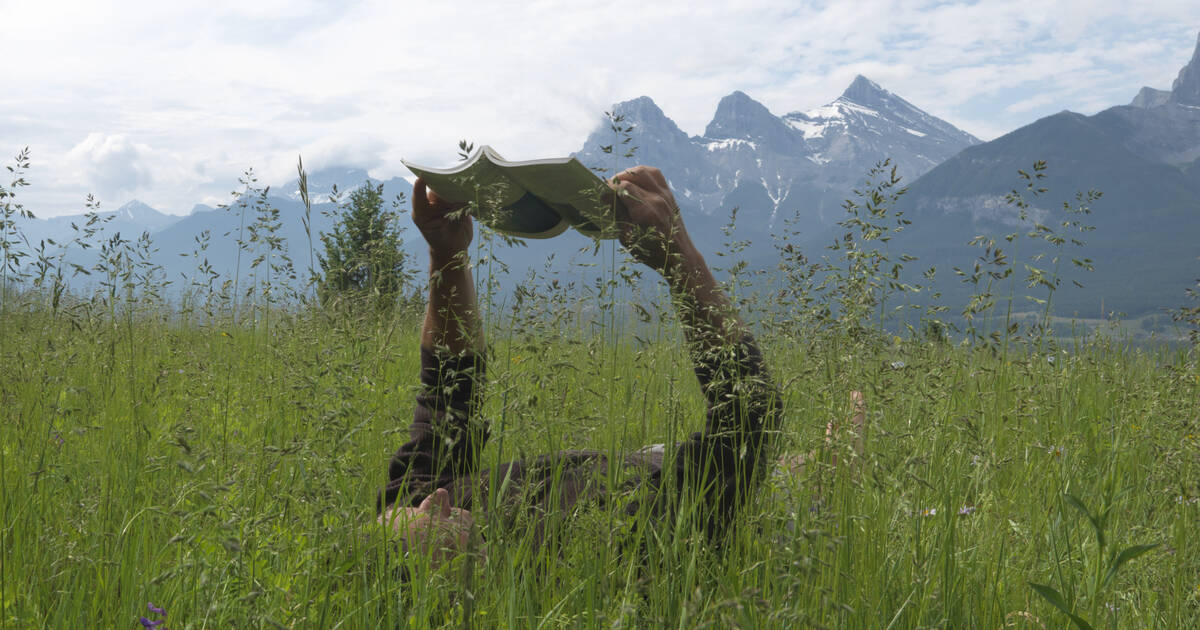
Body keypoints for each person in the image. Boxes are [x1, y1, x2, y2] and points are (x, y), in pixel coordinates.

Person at [376, 165, 783, 566]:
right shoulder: (596, 549)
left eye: (412, 512)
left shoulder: (420, 504)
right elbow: (750, 418)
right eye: (429, 518)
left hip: (643, 458)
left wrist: (446, 254)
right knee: (811, 473)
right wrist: (678, 256)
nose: (435, 500)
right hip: (752, 498)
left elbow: (448, 389)